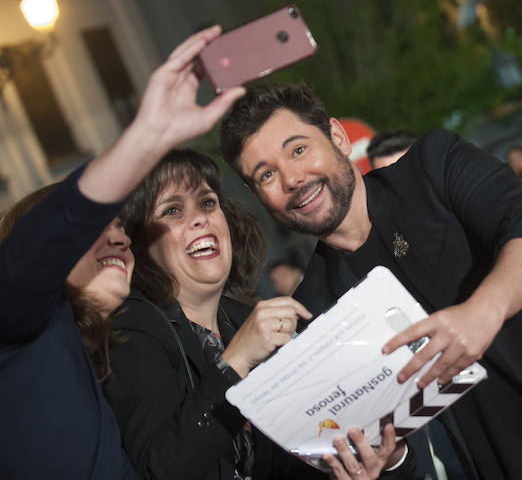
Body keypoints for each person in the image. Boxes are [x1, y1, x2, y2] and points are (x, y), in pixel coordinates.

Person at [219, 84, 522, 479]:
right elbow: (384, 440)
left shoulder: (434, 166)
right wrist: (382, 463)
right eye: (265, 175)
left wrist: (483, 311)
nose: (292, 179)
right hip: (517, 464)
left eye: (298, 149)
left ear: (339, 138)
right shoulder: (317, 306)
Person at [0, 25, 247, 480]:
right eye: (98, 228)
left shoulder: (95, 361)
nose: (120, 238)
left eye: (120, 228)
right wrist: (146, 134)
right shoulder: (19, 324)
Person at [106, 149, 410, 480]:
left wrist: (382, 459)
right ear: (139, 242)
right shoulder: (132, 326)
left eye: (208, 203)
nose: (200, 218)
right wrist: (234, 363)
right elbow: (160, 469)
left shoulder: (241, 319)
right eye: (173, 210)